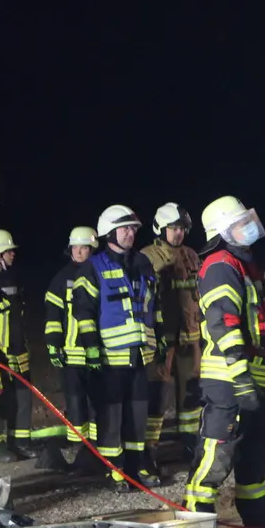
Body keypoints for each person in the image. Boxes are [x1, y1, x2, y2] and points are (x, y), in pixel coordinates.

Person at [186, 196, 265, 528]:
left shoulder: (243, 265)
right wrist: (240, 375)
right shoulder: (220, 265)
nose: (249, 228)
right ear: (222, 231)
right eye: (240, 223)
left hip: (248, 375)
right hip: (228, 378)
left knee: (254, 454)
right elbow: (223, 322)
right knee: (218, 454)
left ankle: (259, 521)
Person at [73, 205, 163, 491]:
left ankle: (136, 467)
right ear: (109, 231)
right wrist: (91, 348)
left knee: (138, 416)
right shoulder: (93, 267)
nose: (130, 233)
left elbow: (153, 305)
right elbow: (83, 312)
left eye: (134, 228)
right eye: (125, 228)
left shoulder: (143, 263)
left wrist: (158, 338)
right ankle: (115, 470)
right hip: (110, 359)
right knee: (111, 418)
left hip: (140, 355)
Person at [140, 203, 203, 461]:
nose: (178, 233)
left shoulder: (191, 255)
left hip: (191, 336)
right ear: (160, 228)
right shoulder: (147, 256)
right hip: (161, 338)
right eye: (173, 228)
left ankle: (190, 442)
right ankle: (148, 449)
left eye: (182, 229)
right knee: (157, 393)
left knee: (191, 392)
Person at [40, 226, 101, 473]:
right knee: (76, 402)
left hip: (98, 351)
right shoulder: (62, 278)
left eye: (84, 247)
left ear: (92, 249)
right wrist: (54, 344)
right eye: (75, 247)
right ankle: (79, 448)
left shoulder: (100, 274)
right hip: (72, 351)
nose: (79, 251)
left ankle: (96, 446)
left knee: (98, 401)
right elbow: (53, 314)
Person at [0, 229, 34, 462]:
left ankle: (19, 441)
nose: (12, 255)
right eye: (8, 251)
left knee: (22, 396)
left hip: (18, 348)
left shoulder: (12, 278)